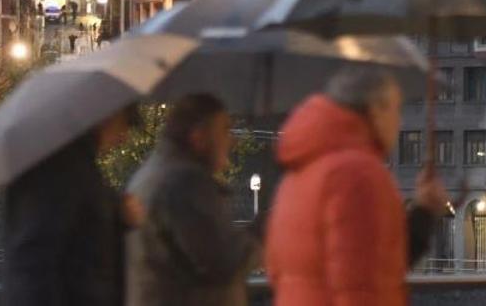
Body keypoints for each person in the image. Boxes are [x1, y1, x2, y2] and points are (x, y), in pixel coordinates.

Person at [266, 68, 449, 306]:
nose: (399, 120)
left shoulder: (300, 170)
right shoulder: (357, 173)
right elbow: (359, 288)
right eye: (396, 109)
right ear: (375, 111)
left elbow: (374, 262)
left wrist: (424, 213)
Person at [125, 94, 260, 306]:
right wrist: (266, 229)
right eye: (224, 129)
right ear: (198, 137)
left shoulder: (153, 175)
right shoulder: (184, 184)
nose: (232, 141)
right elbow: (225, 260)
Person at [2, 106, 135, 306]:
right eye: (125, 123)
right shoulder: (64, 170)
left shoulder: (73, 166)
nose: (123, 137)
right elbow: (37, 261)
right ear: (107, 116)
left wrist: (119, 217)